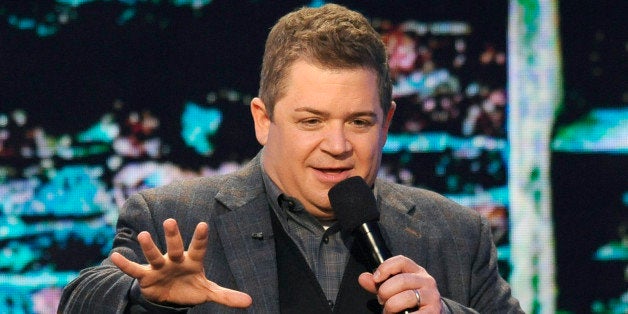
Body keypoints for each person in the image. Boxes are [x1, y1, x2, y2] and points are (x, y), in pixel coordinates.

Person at [59, 4, 523, 313]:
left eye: (359, 122)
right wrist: (144, 297)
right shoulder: (173, 217)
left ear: (386, 123)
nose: (338, 145)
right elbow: (79, 300)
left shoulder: (456, 234)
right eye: (312, 121)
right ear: (263, 120)